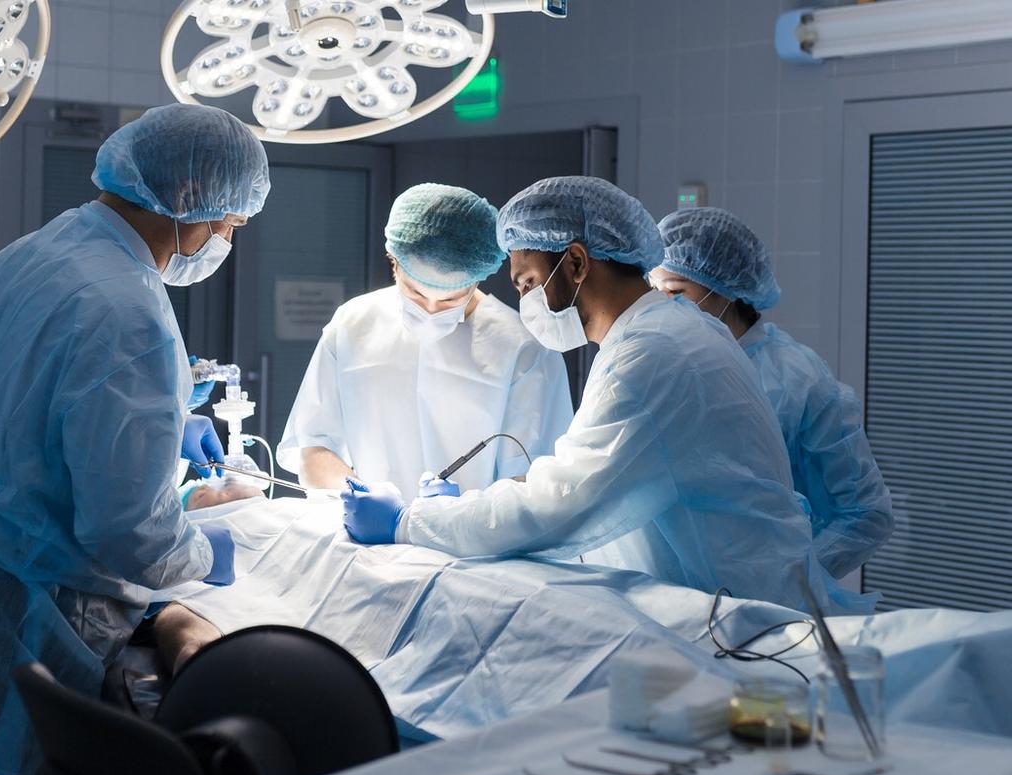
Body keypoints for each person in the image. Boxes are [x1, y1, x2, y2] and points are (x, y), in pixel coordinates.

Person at [0, 105, 270, 775]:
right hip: (30, 612)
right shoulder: (128, 308)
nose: (226, 236)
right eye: (230, 222)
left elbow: (20, 428)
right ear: (192, 200)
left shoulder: (29, 257)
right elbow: (125, 535)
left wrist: (169, 459)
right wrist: (201, 548)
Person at [340, 176, 871, 615]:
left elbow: (560, 507)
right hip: (733, 600)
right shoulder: (673, 330)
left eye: (525, 284)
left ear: (574, 264)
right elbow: (602, 471)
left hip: (736, 620)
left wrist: (410, 522)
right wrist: (481, 504)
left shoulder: (653, 355)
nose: (523, 300)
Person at [279, 183, 573, 501]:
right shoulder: (353, 324)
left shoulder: (524, 349)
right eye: (416, 293)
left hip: (476, 547)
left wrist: (453, 522)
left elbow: (530, 484)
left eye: (450, 299)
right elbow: (313, 451)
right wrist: (365, 497)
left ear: (478, 277)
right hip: (371, 544)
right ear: (394, 262)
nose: (431, 311)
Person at [649, 207, 894, 578]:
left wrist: (787, 576)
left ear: (724, 289)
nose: (663, 307)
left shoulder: (797, 379)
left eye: (675, 292)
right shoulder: (662, 362)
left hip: (765, 613)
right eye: (655, 292)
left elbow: (866, 514)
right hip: (667, 598)